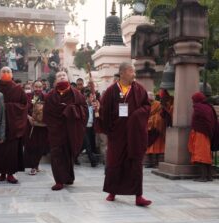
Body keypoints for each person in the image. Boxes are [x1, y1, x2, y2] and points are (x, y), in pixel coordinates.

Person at [93, 62, 152, 206]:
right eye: (132, 71)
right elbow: (104, 111)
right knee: (115, 163)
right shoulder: (111, 91)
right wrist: (97, 110)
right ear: (123, 73)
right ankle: (112, 192)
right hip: (117, 135)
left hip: (134, 135)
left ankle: (139, 196)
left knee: (136, 164)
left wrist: (135, 116)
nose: (134, 74)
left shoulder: (139, 89)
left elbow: (146, 107)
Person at [43, 70, 88, 190]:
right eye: (59, 76)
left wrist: (71, 109)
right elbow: (46, 114)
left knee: (68, 154)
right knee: (57, 154)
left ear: (68, 78)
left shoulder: (77, 94)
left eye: (63, 75)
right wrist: (53, 125)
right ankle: (59, 180)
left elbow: (84, 110)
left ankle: (68, 177)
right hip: (56, 130)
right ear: (56, 80)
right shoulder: (50, 96)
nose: (61, 77)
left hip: (71, 129)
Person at [0, 66, 28, 183]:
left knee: (12, 150)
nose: (6, 73)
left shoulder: (17, 88)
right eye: (4, 71)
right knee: (0, 150)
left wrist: (7, 107)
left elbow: (24, 105)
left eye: (8, 71)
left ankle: (10, 174)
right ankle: (2, 173)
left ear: (12, 74)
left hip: (13, 125)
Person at [188, 92, 218, 182]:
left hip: (201, 133)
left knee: (201, 154)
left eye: (193, 100)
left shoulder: (199, 107)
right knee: (206, 154)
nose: (193, 102)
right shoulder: (208, 107)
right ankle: (209, 176)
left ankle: (203, 177)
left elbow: (203, 121)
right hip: (207, 133)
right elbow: (211, 121)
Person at [23, 81, 49, 175]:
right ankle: (32, 166)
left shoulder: (46, 97)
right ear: (33, 87)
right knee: (31, 145)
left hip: (42, 125)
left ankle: (36, 165)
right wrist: (29, 117)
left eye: (40, 87)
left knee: (40, 146)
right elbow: (23, 108)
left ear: (42, 87)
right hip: (30, 124)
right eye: (36, 87)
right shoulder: (28, 96)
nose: (38, 89)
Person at [145, 92, 167, 168]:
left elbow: (160, 116)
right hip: (148, 128)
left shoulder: (158, 104)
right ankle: (149, 162)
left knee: (158, 147)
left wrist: (153, 120)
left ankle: (157, 163)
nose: (149, 100)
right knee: (148, 146)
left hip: (157, 129)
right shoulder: (144, 104)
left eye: (150, 98)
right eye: (148, 98)